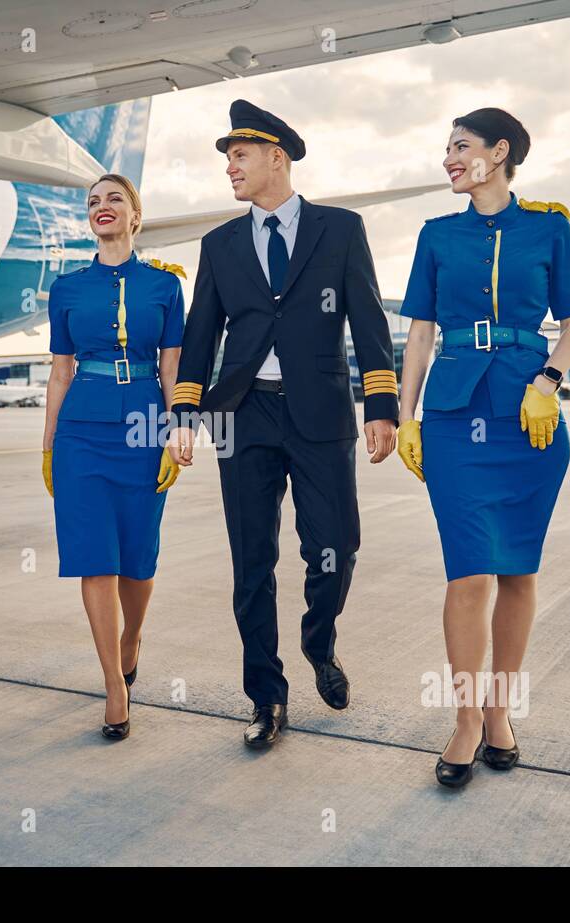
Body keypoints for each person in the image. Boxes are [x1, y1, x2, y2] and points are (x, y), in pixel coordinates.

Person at [166, 101, 399, 749]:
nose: (230, 169)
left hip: (320, 411)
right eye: (226, 159)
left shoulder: (340, 229)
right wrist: (185, 412)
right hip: (243, 415)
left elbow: (370, 322)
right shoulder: (220, 244)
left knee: (335, 547)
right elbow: (199, 335)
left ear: (278, 157)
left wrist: (382, 407)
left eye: (239, 156)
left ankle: (319, 641)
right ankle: (266, 698)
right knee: (251, 564)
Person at [394, 108, 570, 788]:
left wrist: (549, 380)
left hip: (528, 415)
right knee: (469, 571)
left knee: (517, 571)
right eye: (445, 147)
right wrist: (407, 416)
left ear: (500, 152)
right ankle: (466, 719)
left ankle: (502, 711)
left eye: (461, 147)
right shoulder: (436, 236)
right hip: (453, 414)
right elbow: (419, 333)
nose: (448, 158)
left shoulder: (548, 227)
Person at [42, 174, 185, 741]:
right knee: (92, 557)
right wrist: (49, 446)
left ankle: (132, 639)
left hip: (145, 424)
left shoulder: (165, 287)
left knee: (138, 558)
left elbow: (172, 369)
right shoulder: (68, 288)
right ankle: (113, 683)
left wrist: (177, 433)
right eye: (93, 202)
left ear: (135, 215)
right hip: (81, 431)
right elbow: (59, 370)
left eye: (114, 200)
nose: (102, 208)